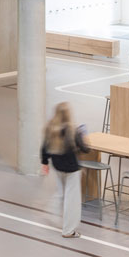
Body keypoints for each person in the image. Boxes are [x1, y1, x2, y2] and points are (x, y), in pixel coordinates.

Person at [40, 100, 91, 236]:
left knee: (61, 192)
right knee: (72, 200)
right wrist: (84, 137)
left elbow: (44, 147)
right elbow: (85, 149)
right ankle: (68, 230)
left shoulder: (50, 128)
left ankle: (52, 213)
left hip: (58, 166)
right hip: (72, 169)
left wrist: (44, 163)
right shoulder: (73, 130)